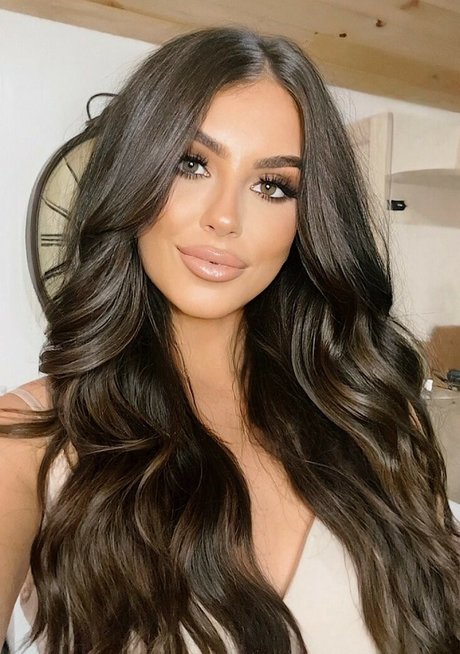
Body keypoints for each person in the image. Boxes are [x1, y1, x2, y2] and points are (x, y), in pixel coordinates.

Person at [0, 25, 458, 654]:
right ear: (133, 175)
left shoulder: (371, 416)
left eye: (273, 186)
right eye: (191, 164)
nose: (225, 217)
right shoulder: (27, 441)